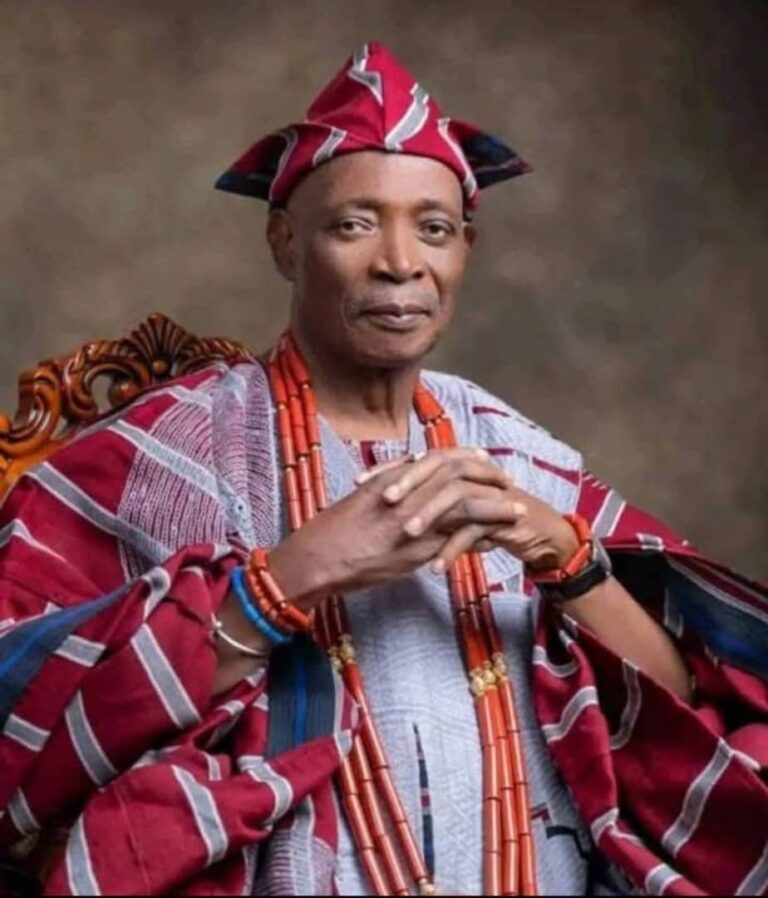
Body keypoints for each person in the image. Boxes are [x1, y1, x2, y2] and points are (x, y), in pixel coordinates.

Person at [0, 42, 766, 897]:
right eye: (354, 225)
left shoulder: (516, 451)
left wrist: (565, 556)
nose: (401, 262)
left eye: (433, 228)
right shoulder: (168, 454)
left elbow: (682, 713)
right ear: (285, 243)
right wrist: (287, 579)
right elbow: (19, 710)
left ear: (465, 247)